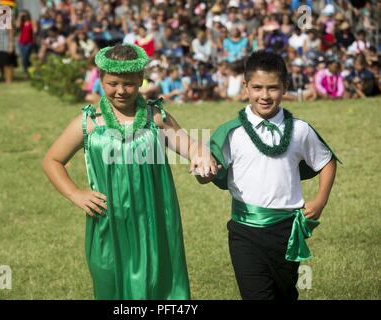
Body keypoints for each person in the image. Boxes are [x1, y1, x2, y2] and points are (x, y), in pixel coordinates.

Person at [42, 44, 217, 299]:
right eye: (113, 83)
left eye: (129, 84)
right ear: (100, 79)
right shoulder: (89, 122)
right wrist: (76, 194)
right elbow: (52, 160)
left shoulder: (155, 117)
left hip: (155, 221)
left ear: (141, 80)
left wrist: (201, 157)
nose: (121, 91)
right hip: (108, 222)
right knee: (111, 284)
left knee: (158, 287)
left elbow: (190, 147)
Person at [197, 51, 338, 300]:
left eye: (272, 88)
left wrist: (320, 201)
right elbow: (207, 172)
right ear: (246, 87)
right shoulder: (232, 132)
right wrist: (204, 173)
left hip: (287, 230)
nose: (264, 95)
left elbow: (327, 161)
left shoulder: (300, 130)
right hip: (244, 231)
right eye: (257, 87)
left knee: (285, 294)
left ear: (285, 87)